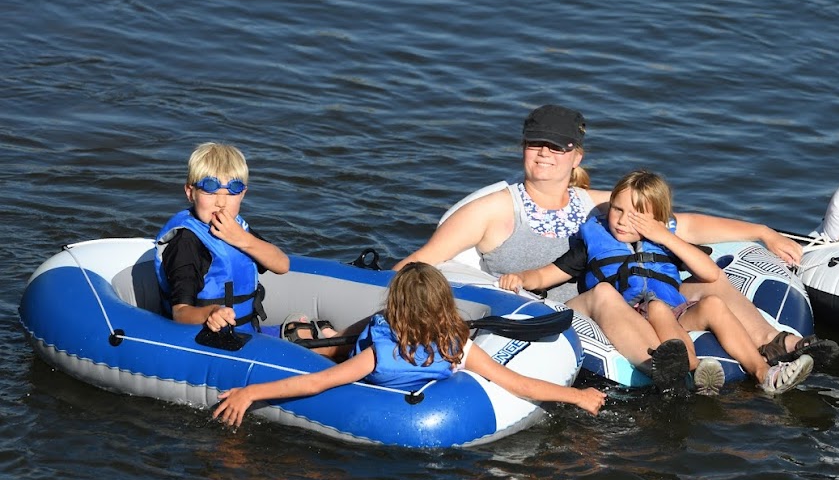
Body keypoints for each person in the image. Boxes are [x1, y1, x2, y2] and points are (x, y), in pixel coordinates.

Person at [394, 104, 837, 381]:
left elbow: (687, 226)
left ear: (576, 156)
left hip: (633, 298)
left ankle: (775, 344)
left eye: (556, 147)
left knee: (713, 284)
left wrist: (760, 230)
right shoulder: (493, 209)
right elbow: (424, 260)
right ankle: (661, 364)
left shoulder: (599, 204)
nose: (544, 154)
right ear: (523, 148)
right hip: (559, 309)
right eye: (535, 145)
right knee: (605, 291)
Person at [498, 170, 813, 396]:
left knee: (710, 303)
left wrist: (663, 235)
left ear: (657, 220)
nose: (622, 221)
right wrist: (522, 279)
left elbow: (712, 274)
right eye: (617, 210)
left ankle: (763, 372)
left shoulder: (665, 242)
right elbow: (548, 275)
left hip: (667, 312)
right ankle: (688, 369)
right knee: (623, 295)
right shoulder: (595, 242)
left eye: (636, 217)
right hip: (623, 313)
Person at [213, 262, 606, 427]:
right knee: (351, 333)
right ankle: (324, 334)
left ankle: (312, 335)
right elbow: (517, 383)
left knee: (320, 340)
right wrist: (579, 396)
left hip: (356, 354)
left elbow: (317, 383)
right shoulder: (458, 348)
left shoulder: (378, 354)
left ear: (397, 307)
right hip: (382, 346)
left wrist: (251, 394)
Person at [155, 142, 290, 335]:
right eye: (210, 192)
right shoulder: (185, 242)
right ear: (190, 192)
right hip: (203, 338)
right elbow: (180, 313)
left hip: (244, 332)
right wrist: (211, 312)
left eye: (230, 193)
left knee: (302, 331)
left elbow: (282, 264)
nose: (221, 203)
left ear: (243, 194)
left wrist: (242, 238)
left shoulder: (236, 229)